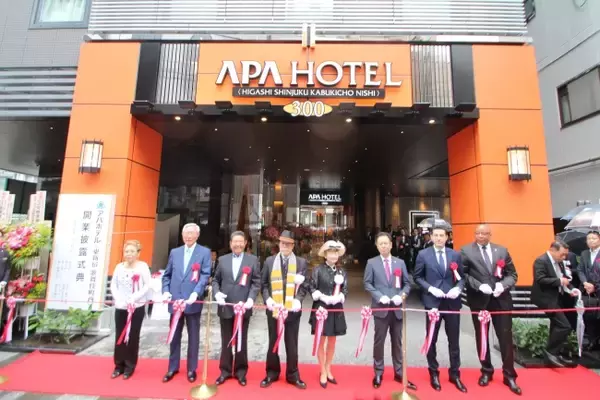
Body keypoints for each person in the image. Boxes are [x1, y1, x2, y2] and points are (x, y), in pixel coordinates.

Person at [460, 224, 521, 395]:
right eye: (478, 233)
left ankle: (509, 374)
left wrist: (503, 285)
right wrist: (479, 286)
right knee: (482, 337)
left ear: (490, 235)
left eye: (484, 233)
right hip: (480, 301)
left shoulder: (501, 251)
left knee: (505, 338)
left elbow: (512, 274)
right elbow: (462, 275)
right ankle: (486, 370)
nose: (481, 236)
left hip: (501, 300)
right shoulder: (466, 251)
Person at [413, 225, 467, 393]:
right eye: (435, 235)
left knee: (454, 340)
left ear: (447, 237)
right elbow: (417, 277)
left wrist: (458, 289)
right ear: (431, 237)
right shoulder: (423, 254)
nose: (438, 238)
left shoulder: (455, 254)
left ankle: (455, 373)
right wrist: (430, 289)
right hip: (433, 302)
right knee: (432, 339)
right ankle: (433, 372)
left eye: (441, 235)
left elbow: (462, 277)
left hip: (452, 302)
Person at [364, 232, 417, 391]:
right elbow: (367, 283)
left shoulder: (399, 263)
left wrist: (402, 296)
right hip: (381, 308)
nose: (384, 246)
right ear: (377, 246)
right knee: (379, 341)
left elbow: (407, 284)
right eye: (380, 244)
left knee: (398, 342)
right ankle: (378, 372)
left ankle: (399, 372)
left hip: (397, 309)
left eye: (386, 243)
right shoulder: (371, 263)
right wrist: (379, 296)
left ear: (391, 245)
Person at [161, 223, 212, 383]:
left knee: (193, 336)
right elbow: (167, 275)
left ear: (197, 235)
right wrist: (166, 291)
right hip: (175, 301)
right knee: (174, 335)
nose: (188, 236)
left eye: (191, 233)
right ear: (182, 235)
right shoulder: (175, 252)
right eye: (186, 233)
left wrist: (196, 293)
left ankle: (192, 368)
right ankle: (172, 367)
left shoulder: (204, 252)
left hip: (192, 301)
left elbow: (205, 275)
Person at [260, 230, 309, 390]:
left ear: (293, 246)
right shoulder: (269, 261)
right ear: (279, 244)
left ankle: (293, 374)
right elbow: (264, 284)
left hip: (292, 310)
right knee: (273, 341)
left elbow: (304, 286)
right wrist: (268, 299)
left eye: (288, 244)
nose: (285, 246)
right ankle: (271, 373)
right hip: (274, 309)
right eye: (283, 243)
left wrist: (298, 300)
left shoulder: (301, 263)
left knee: (292, 343)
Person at [213, 231, 261, 387]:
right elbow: (215, 280)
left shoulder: (252, 260)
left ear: (245, 243)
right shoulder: (222, 260)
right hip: (225, 306)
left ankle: (241, 372)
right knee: (226, 340)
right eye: (235, 242)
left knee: (242, 340)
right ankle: (225, 371)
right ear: (230, 243)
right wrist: (216, 293)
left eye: (241, 242)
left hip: (243, 307)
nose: (238, 244)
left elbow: (256, 282)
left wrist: (250, 299)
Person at [531, 240, 579, 367]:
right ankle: (550, 352)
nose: (564, 257)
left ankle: (555, 355)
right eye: (562, 254)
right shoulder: (541, 261)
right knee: (564, 326)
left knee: (556, 325)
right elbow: (540, 279)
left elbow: (565, 278)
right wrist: (559, 281)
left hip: (559, 297)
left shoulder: (560, 262)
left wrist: (571, 289)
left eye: (565, 255)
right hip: (546, 299)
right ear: (552, 250)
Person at [109, 240, 151, 379]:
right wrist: (118, 298)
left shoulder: (143, 267)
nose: (129, 254)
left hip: (136, 307)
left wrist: (134, 298)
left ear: (138, 253)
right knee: (120, 336)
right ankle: (118, 365)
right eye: (127, 251)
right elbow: (114, 284)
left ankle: (129, 366)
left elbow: (147, 285)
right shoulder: (119, 267)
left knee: (133, 336)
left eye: (132, 251)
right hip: (121, 306)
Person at [309, 240, 348, 388]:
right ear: (325, 255)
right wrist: (321, 296)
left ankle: (329, 367)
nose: (333, 256)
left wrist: (340, 297)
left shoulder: (342, 271)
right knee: (321, 339)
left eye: (336, 253)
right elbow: (311, 287)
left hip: (336, 307)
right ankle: (322, 370)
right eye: (331, 253)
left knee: (332, 340)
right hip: (321, 308)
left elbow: (345, 289)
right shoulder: (317, 270)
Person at [577, 230, 600, 349]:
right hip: (587, 290)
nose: (591, 241)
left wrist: (595, 286)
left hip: (598, 288)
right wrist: (585, 283)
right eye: (589, 238)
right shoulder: (584, 253)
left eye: (594, 238)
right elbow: (580, 270)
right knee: (589, 316)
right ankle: (592, 340)